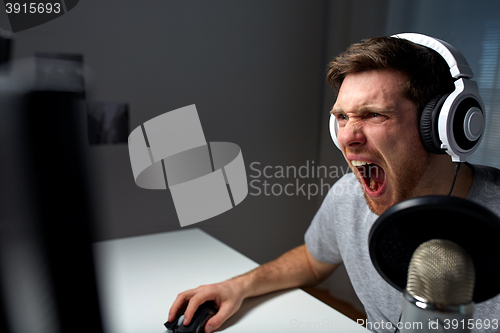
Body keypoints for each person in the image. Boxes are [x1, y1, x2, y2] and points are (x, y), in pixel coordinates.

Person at [168, 35, 500, 333]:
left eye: (374, 115)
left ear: (443, 126)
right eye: (342, 117)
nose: (346, 138)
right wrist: (237, 287)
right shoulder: (348, 196)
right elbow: (313, 260)